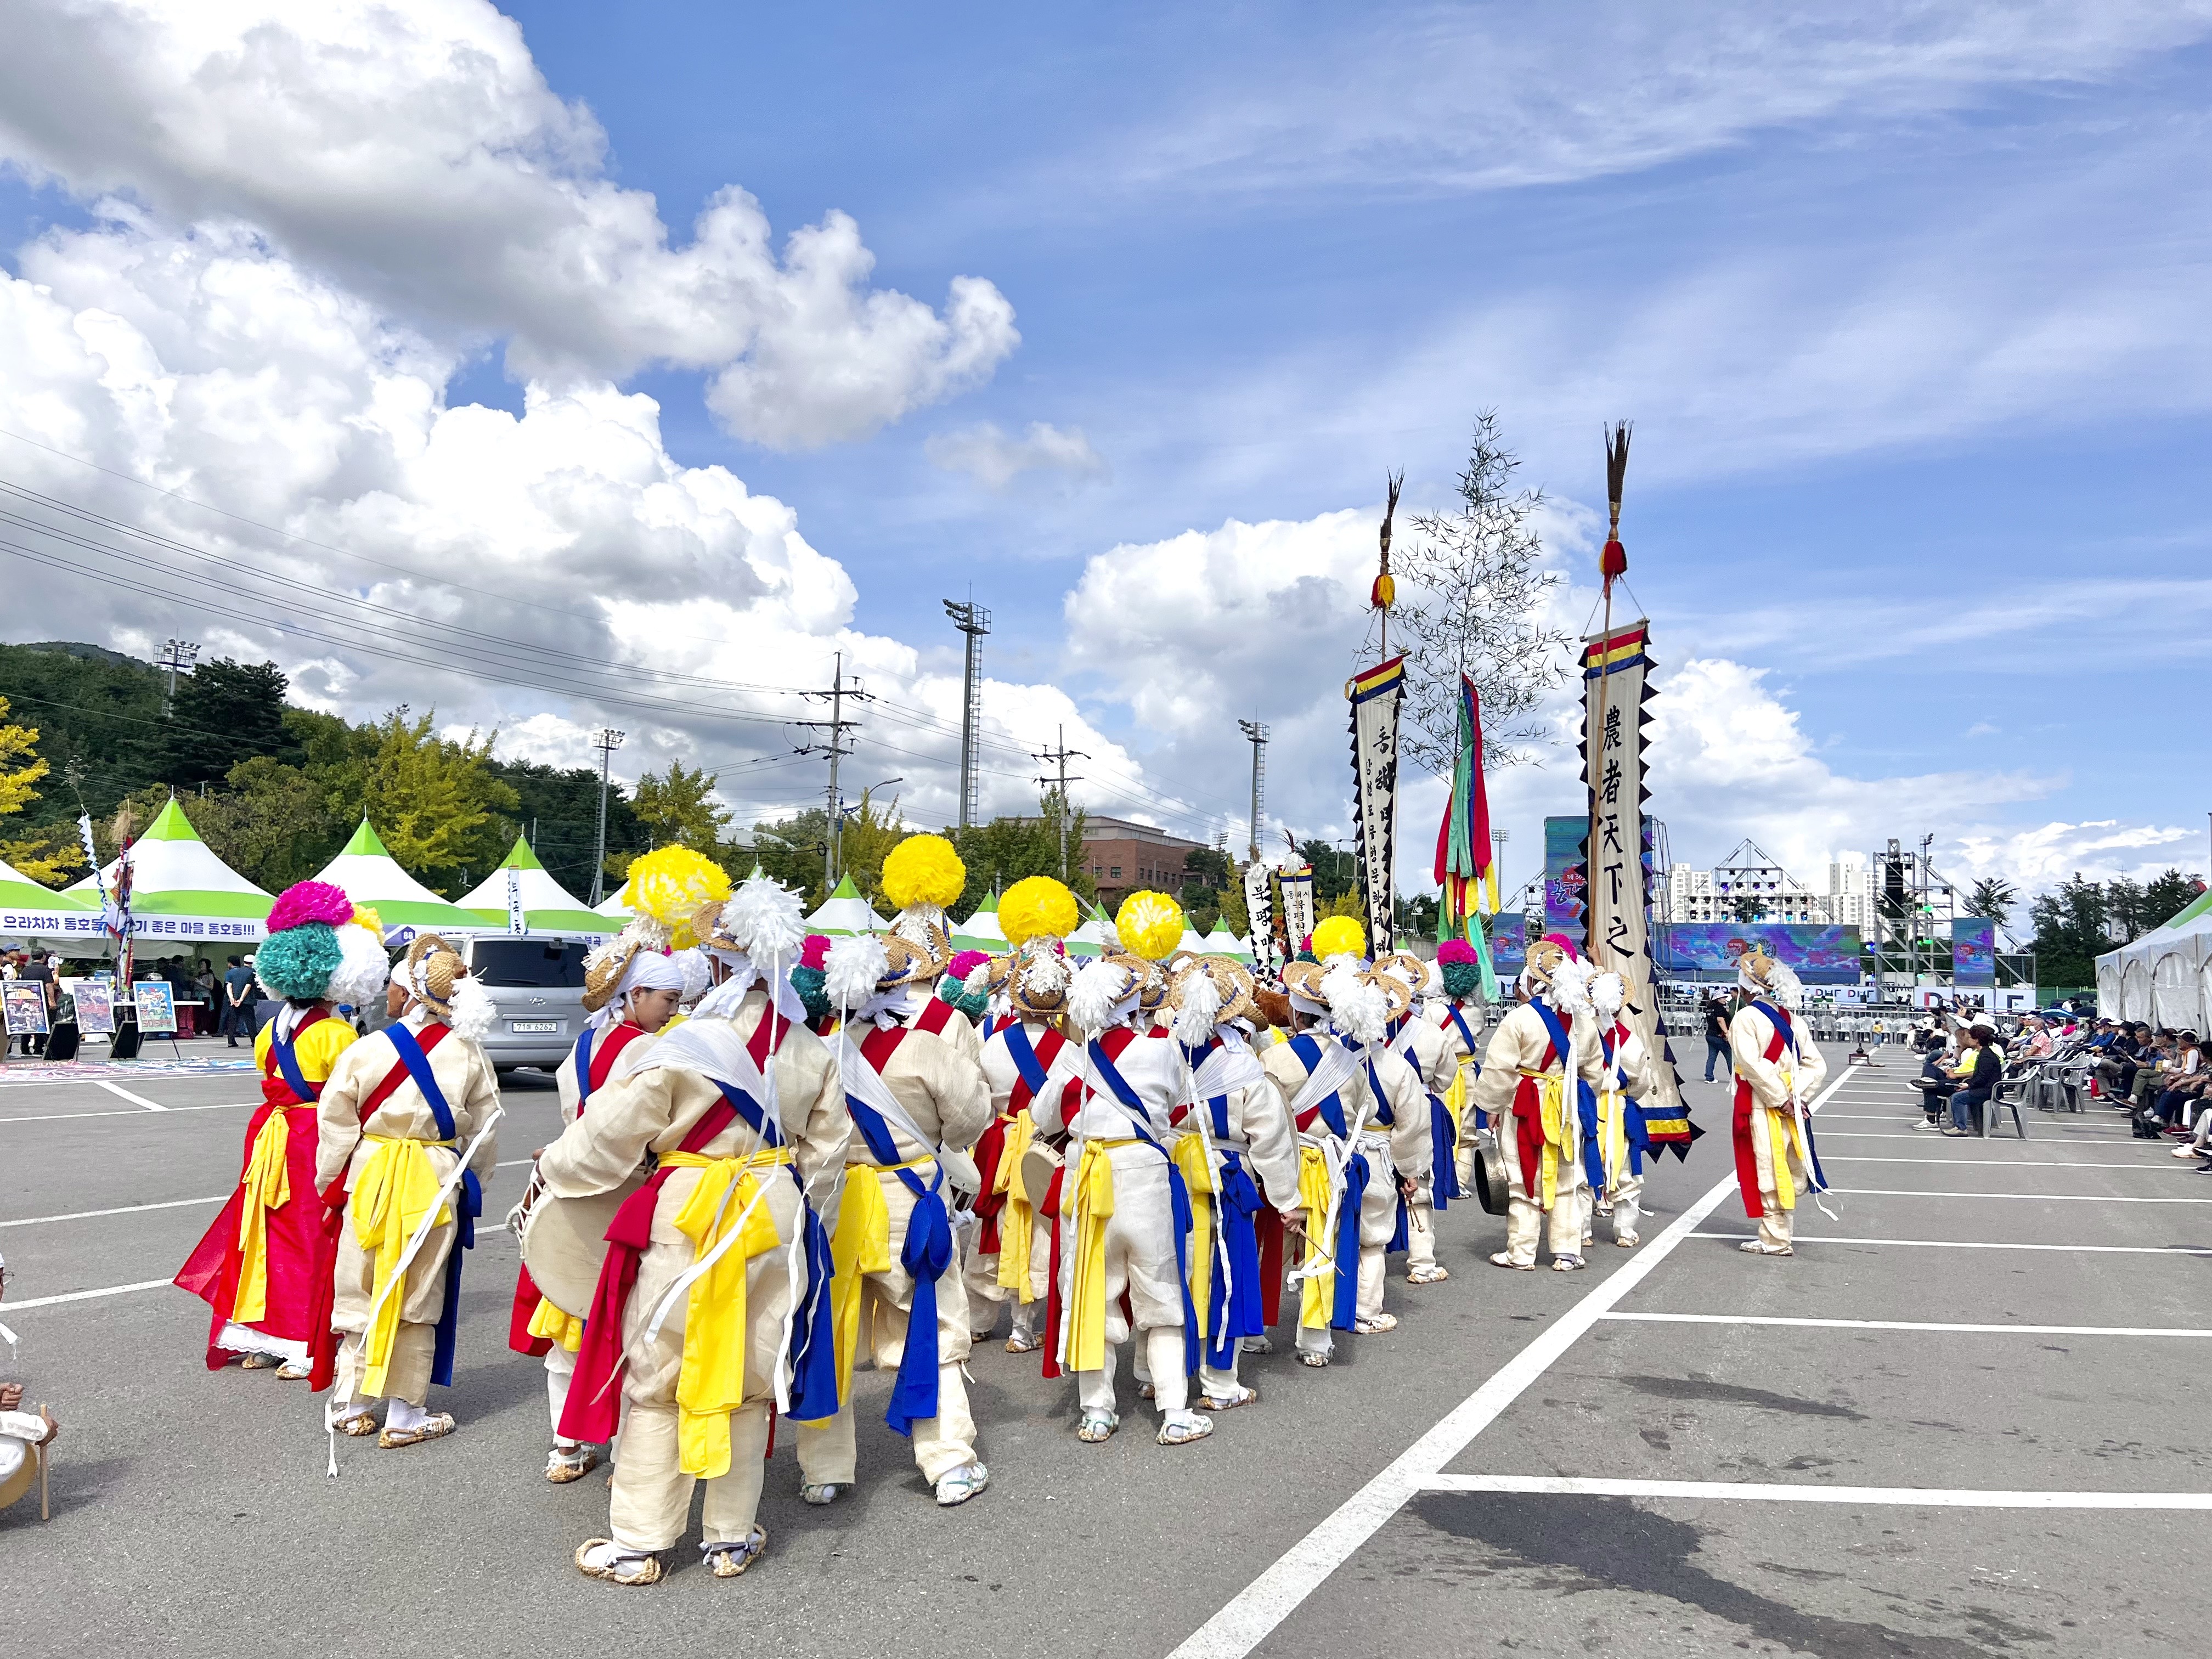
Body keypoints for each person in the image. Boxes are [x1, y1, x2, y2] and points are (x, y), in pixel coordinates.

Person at [538, 873, 847, 1585]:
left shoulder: (682, 1044)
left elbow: (607, 1136)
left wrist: (555, 1168)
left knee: (656, 1373)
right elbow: (827, 1154)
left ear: (716, 963)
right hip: (772, 1212)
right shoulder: (810, 1049)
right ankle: (730, 1538)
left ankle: (644, 1541)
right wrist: (798, 1216)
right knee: (748, 1373)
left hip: (686, 1210)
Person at [798, 908, 994, 1501]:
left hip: (835, 1199)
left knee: (827, 1331)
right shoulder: (927, 1048)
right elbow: (969, 1120)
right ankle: (949, 1461)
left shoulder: (815, 1050)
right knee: (931, 1324)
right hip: (908, 1196)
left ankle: (824, 1471)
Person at [513, 907, 695, 1486]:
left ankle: (565, 1446)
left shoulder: (586, 1043)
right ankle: (623, 1451)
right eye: (667, 1000)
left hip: (568, 1187)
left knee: (569, 1316)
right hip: (620, 1194)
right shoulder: (644, 1053)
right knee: (625, 1324)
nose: (674, 1011)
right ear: (636, 993)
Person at [174, 882, 386, 1377]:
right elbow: (353, 1097)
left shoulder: (271, 1030)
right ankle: (305, 1339)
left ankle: (261, 1335)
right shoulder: (338, 1033)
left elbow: (270, 1084)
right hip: (315, 1138)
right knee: (315, 1237)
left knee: (265, 1234)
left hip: (270, 1135)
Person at [1036, 890, 1215, 1446]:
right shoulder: (1162, 1048)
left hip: (1089, 1175)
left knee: (1091, 1289)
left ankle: (1096, 1410)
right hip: (1145, 1176)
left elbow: (1044, 1116)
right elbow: (1185, 1110)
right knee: (1160, 1291)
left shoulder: (1073, 1056)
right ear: (1135, 1002)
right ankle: (1175, 1411)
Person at [311, 933, 500, 1448]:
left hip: (369, 1173)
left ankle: (350, 1404)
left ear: (408, 994)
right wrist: (473, 1184)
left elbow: (335, 1125)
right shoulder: (468, 1053)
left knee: (359, 1283)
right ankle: (405, 1412)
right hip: (434, 1179)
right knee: (419, 1289)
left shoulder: (366, 1049)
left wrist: (329, 1186)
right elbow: (485, 1129)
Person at [1256, 933, 1403, 1364]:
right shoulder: (1350, 1062)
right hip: (1332, 1162)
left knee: (1272, 1245)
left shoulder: (1276, 1059)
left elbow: (1264, 1113)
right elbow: (1366, 1108)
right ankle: (1316, 1340)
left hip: (1285, 1158)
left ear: (1297, 1015)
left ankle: (1255, 1332)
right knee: (1326, 1244)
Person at [1163, 953, 1300, 1412]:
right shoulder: (1244, 1064)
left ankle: (1159, 1375)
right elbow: (1271, 1137)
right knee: (1225, 1273)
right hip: (1227, 1175)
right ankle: (1220, 1383)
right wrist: (1286, 1198)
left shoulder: (1160, 1049)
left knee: (1170, 1273)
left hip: (1169, 1174)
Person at [1468, 934, 1605, 1272]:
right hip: (1568, 1105)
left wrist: (1491, 1108)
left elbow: (1499, 1069)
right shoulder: (1585, 1022)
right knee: (1567, 1177)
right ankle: (1568, 1250)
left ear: (1534, 980)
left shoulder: (1520, 1018)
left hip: (1527, 1103)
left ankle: (1522, 1252)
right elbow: (1595, 1072)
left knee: (1522, 1174)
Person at [1728, 946, 1831, 1256]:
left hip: (1764, 1103)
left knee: (1767, 1166)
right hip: (1791, 1104)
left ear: (1746, 988)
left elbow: (1751, 1065)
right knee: (1786, 1163)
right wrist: (1798, 1098)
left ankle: (1775, 1239)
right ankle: (1780, 1232)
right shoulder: (1794, 1021)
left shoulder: (1746, 1018)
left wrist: (1780, 1099)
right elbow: (1817, 1065)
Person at [1372, 950, 1458, 1284]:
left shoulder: (1364, 1032)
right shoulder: (1432, 1033)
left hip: (1375, 1116)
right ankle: (1422, 1261)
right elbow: (1445, 1078)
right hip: (1420, 1106)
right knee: (1420, 1183)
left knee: (1376, 1184)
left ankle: (1373, 1254)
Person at [1944, 1026, 2001, 1137]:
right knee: (1957, 1094)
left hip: (1989, 1091)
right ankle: (1959, 1126)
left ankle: (1961, 1128)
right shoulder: (1984, 1053)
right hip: (1985, 1088)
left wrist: (1968, 1085)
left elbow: (1983, 1077)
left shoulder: (1986, 1056)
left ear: (1976, 1040)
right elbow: (1978, 1075)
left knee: (1958, 1098)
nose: (1968, 1040)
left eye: (1970, 1038)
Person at [222, 954, 255, 1047]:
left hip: (233, 1000)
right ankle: (254, 1041)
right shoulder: (252, 972)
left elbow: (229, 985)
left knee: (232, 1021)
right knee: (250, 1021)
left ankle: (231, 1041)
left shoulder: (234, 972)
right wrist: (241, 999)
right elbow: (248, 986)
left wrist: (232, 998)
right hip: (246, 1001)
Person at [1702, 996, 1731, 1082]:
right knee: (1729, 1056)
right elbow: (1720, 1020)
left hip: (1710, 1035)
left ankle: (1709, 1077)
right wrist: (1726, 1032)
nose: (1725, 999)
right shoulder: (1719, 1008)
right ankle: (1734, 1077)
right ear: (1718, 999)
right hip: (1719, 1035)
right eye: (1723, 998)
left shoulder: (1709, 1008)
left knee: (1712, 1057)